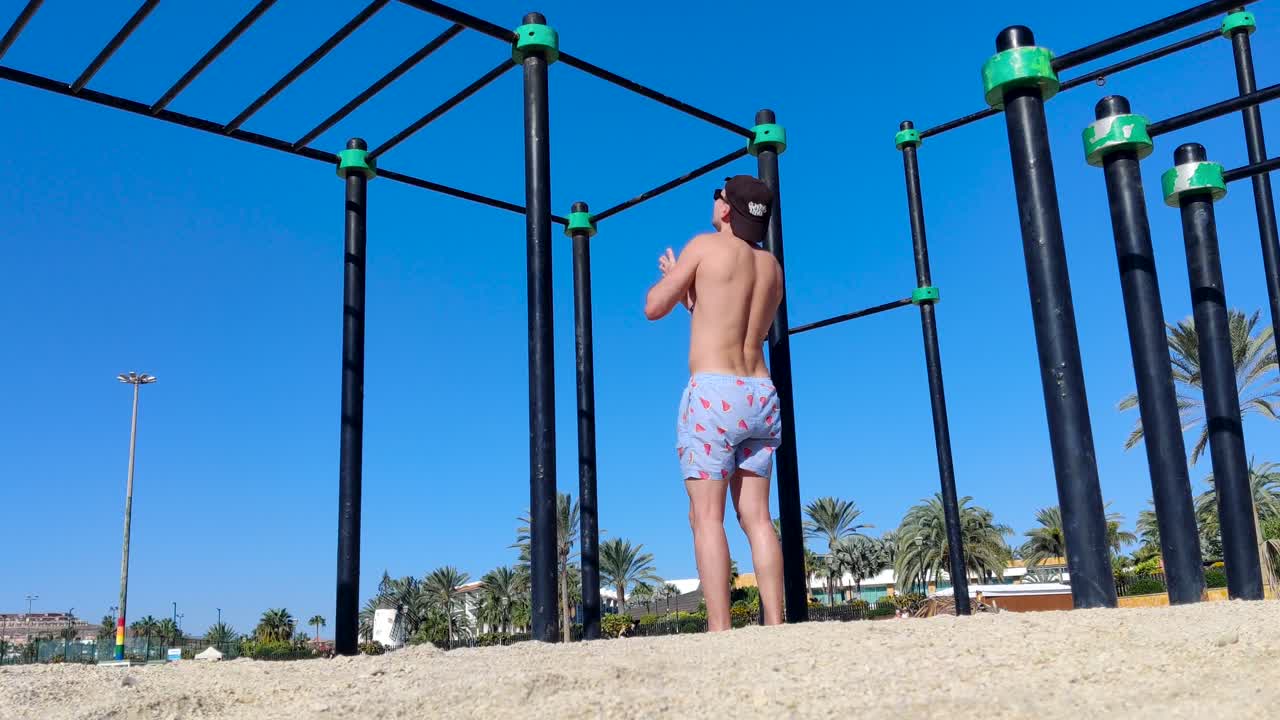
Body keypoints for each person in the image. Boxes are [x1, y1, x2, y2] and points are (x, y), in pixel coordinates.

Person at [643, 174, 786, 631]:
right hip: (759, 393)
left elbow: (652, 307)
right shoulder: (771, 268)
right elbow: (727, 317)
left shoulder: (704, 246)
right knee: (758, 517)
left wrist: (672, 279)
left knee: (705, 516)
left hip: (714, 393)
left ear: (726, 209)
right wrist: (689, 291)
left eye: (717, 196)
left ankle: (720, 630)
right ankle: (776, 624)